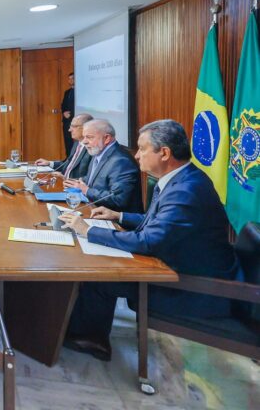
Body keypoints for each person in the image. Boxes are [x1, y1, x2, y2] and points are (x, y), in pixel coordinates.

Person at [59, 120, 240, 362]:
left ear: (164, 153)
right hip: (180, 268)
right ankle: (84, 330)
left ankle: (92, 339)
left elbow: (148, 241)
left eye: (143, 149)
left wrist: (87, 231)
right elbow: (155, 221)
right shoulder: (182, 179)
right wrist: (119, 215)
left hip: (192, 287)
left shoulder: (185, 191)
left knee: (98, 277)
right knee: (98, 265)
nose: (136, 155)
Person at [63, 119, 142, 213]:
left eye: (89, 137)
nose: (84, 142)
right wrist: (78, 181)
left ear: (107, 138)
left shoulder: (121, 161)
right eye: (84, 137)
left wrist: (86, 190)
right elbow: (95, 179)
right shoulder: (98, 151)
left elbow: (118, 199)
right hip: (95, 210)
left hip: (117, 222)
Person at [35, 113, 94, 179]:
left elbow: (90, 178)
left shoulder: (92, 149)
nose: (69, 130)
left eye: (74, 126)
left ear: (85, 128)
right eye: (70, 126)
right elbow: (68, 164)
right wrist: (49, 163)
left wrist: (66, 179)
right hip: (62, 181)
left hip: (73, 186)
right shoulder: (77, 143)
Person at [61, 73, 75, 156]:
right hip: (66, 121)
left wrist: (71, 114)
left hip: (75, 120)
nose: (70, 80)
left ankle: (74, 160)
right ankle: (68, 159)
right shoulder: (67, 92)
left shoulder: (80, 92)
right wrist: (64, 112)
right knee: (67, 141)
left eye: (72, 78)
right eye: (69, 79)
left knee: (76, 143)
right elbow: (63, 105)